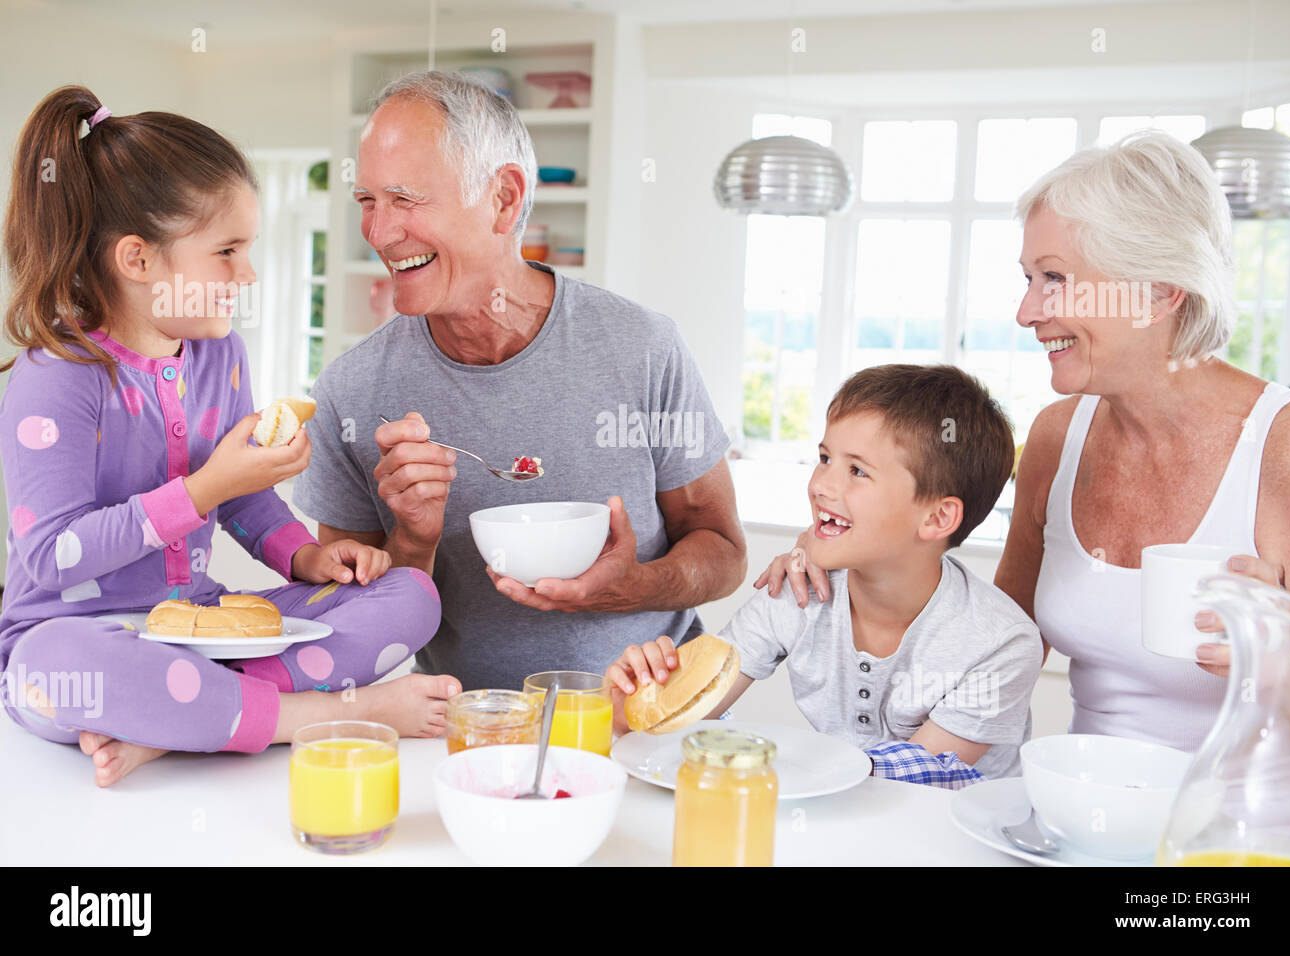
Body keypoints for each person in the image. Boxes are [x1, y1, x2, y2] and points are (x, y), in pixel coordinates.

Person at [758, 132, 1290, 755]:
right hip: (1077, 817)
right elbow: (991, 636)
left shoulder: (1283, 446)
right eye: (1028, 278)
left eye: (1055, 279)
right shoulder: (1057, 436)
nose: (1026, 311)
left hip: (1236, 837)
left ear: (1158, 292)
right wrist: (836, 564)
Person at [0, 86, 455, 788]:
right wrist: (207, 487)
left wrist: (308, 558)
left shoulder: (220, 355)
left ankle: (179, 723)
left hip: (205, 631)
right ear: (138, 260)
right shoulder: (56, 375)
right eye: (227, 251)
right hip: (87, 639)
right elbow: (54, 556)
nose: (247, 275)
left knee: (411, 597)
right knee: (54, 664)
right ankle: (316, 716)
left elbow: (245, 504)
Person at [294, 71, 746, 691]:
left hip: (650, 724)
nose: (378, 232)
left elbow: (722, 551)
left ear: (504, 198)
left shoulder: (643, 348)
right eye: (367, 201)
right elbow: (343, 625)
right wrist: (413, 540)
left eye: (405, 198)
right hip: (468, 731)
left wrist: (629, 588)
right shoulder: (351, 391)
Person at [610, 365, 1043, 787]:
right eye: (824, 458)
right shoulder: (796, 590)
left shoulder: (1000, 642)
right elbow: (687, 708)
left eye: (857, 470)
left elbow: (916, 776)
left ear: (937, 517)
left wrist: (758, 764)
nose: (820, 485)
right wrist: (639, 705)